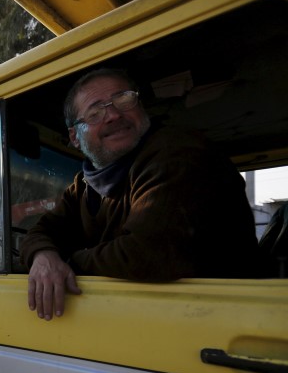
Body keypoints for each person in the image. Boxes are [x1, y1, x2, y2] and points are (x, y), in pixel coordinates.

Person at [20, 68, 260, 320]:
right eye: (95, 112)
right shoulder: (84, 184)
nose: (113, 115)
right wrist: (44, 256)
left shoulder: (177, 152)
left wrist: (67, 263)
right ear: (75, 137)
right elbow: (42, 230)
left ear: (141, 107)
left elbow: (146, 253)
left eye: (123, 99)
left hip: (222, 321)